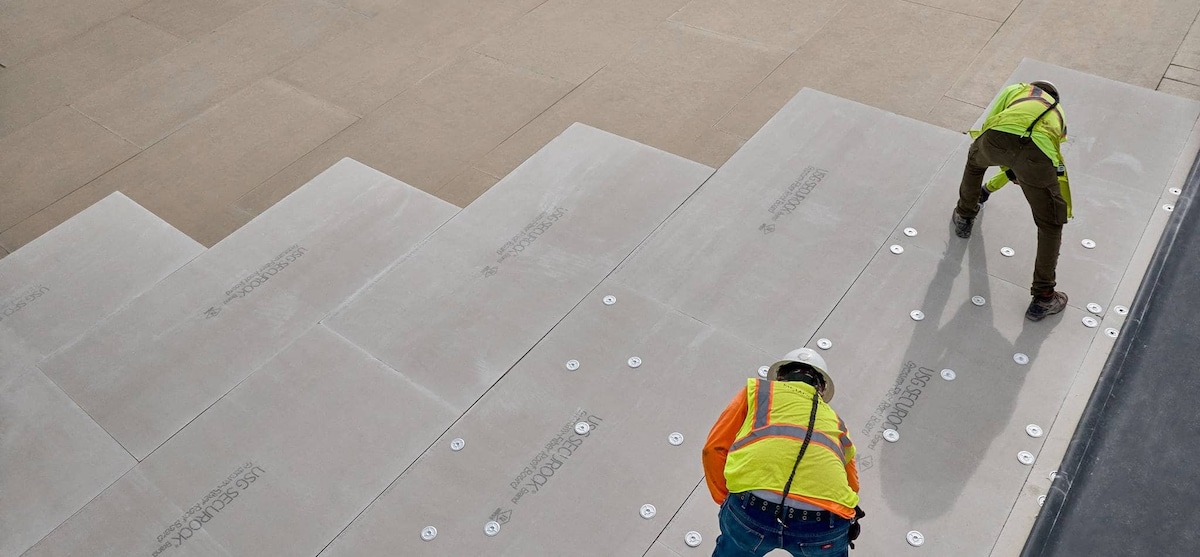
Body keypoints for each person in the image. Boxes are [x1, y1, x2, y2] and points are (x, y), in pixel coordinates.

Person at [703, 348, 864, 556]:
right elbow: (853, 485)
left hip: (751, 509)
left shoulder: (759, 392)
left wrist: (726, 499)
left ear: (779, 377)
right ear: (821, 390)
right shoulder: (837, 423)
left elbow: (714, 449)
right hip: (823, 523)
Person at [951, 80, 1073, 321]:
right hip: (1038, 154)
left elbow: (994, 125)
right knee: (1050, 225)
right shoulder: (1058, 114)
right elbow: (1044, 155)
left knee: (975, 164)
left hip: (998, 136)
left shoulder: (1017, 90)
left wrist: (989, 185)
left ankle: (965, 216)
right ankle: (1044, 297)